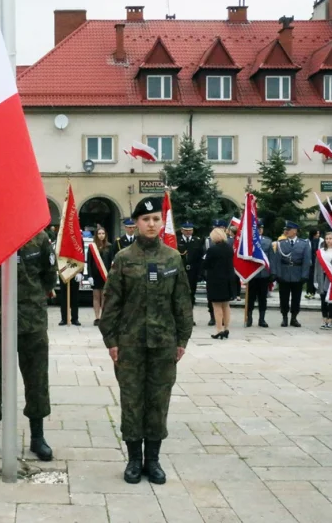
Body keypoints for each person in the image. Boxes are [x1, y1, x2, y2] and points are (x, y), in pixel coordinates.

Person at [100, 197, 193, 485]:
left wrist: (182, 339)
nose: (151, 224)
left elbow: (182, 302)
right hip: (129, 344)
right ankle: (133, 460)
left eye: (155, 219)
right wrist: (111, 340)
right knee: (131, 401)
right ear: (136, 223)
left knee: (158, 401)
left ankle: (152, 460)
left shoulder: (173, 258)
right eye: (145, 219)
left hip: (164, 343)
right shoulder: (123, 258)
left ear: (161, 222)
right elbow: (111, 302)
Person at [0, 229, 56, 462]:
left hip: (32, 322)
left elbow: (49, 276)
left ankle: (37, 438)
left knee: (37, 380)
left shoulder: (39, 238)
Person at [271, 222, 311, 328]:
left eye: (289, 229)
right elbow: (277, 260)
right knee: (283, 297)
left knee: (296, 298)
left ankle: (294, 318)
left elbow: (307, 260)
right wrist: (276, 274)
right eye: (286, 229)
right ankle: (284, 317)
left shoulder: (304, 243)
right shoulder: (281, 243)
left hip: (297, 274)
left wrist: (305, 275)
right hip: (284, 274)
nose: (286, 231)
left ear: (295, 231)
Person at [203, 228, 236, 339]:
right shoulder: (229, 248)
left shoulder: (212, 250)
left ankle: (219, 330)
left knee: (216, 306)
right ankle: (226, 328)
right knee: (226, 306)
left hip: (216, 281)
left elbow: (206, 264)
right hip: (228, 280)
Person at [313, 231, 332, 330]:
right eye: (327, 239)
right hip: (322, 278)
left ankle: (330, 321)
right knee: (323, 300)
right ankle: (324, 319)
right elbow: (317, 267)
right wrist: (315, 280)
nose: (328, 240)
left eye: (330, 238)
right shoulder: (321, 251)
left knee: (331, 301)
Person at [247, 223, 273, 328]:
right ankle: (249, 318)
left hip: (263, 274)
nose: (260, 230)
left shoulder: (267, 241)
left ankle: (262, 319)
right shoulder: (249, 241)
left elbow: (271, 258)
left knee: (263, 298)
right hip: (252, 274)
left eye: (261, 228)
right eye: (257, 229)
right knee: (250, 298)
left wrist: (272, 273)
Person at [204, 219, 229, 326]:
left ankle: (220, 326)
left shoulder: (227, 243)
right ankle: (219, 322)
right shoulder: (208, 241)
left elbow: (205, 264)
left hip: (215, 277)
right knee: (224, 304)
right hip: (223, 276)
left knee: (218, 303)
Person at [177, 223, 203, 325]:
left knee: (191, 295)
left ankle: (189, 317)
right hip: (180, 272)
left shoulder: (197, 241)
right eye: (186, 230)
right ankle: (180, 317)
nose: (188, 232)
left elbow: (200, 258)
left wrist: (200, 273)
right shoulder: (177, 240)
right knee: (179, 295)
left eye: (190, 230)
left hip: (193, 272)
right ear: (182, 230)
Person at [87, 226, 113, 326]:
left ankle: (103, 317)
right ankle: (97, 318)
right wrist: (89, 276)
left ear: (105, 235)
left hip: (105, 275)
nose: (101, 235)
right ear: (96, 235)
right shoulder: (92, 247)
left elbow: (112, 262)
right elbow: (89, 262)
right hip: (95, 276)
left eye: (103, 233)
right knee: (96, 297)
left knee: (104, 297)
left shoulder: (109, 246)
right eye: (99, 234)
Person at [305, 228, 322, 299]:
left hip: (319, 261)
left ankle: (320, 292)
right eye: (316, 233)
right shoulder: (307, 241)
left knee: (319, 277)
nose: (318, 234)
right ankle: (310, 292)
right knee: (310, 278)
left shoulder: (322, 241)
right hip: (310, 262)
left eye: (318, 233)